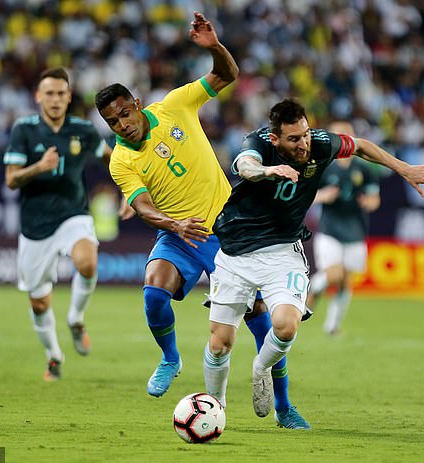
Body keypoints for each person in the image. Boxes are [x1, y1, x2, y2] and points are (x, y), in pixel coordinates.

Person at [94, 12, 309, 429]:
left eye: (124, 113)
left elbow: (227, 74)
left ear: (136, 103)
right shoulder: (120, 159)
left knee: (264, 325)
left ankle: (283, 407)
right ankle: (170, 358)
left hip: (230, 233)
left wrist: (212, 45)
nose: (123, 124)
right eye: (113, 121)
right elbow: (140, 207)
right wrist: (174, 226)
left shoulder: (175, 105)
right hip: (179, 234)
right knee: (153, 289)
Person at [204, 99, 424, 423]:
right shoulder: (257, 143)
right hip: (237, 251)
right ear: (275, 139)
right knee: (220, 344)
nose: (303, 143)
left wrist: (402, 168)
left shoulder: (320, 143)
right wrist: (267, 171)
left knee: (286, 327)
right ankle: (215, 408)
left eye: (304, 134)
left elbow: (361, 146)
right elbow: (245, 165)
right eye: (293, 139)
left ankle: (261, 368)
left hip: (282, 252)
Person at [4, 67, 112, 381]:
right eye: (49, 93)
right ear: (38, 97)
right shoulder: (23, 130)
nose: (54, 99)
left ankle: (76, 319)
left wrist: (128, 190)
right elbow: (11, 179)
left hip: (73, 214)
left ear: (68, 97)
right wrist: (38, 167)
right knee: (39, 302)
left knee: (88, 262)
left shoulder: (83, 130)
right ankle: (54, 357)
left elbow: (111, 159)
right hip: (35, 225)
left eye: (61, 94)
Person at [308, 121, 381, 336]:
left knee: (345, 282)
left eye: (347, 134)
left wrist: (369, 202)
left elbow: (375, 198)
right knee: (334, 275)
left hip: (355, 230)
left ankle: (332, 326)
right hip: (330, 228)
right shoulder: (322, 166)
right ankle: (313, 287)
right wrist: (323, 196)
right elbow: (307, 197)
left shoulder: (364, 169)